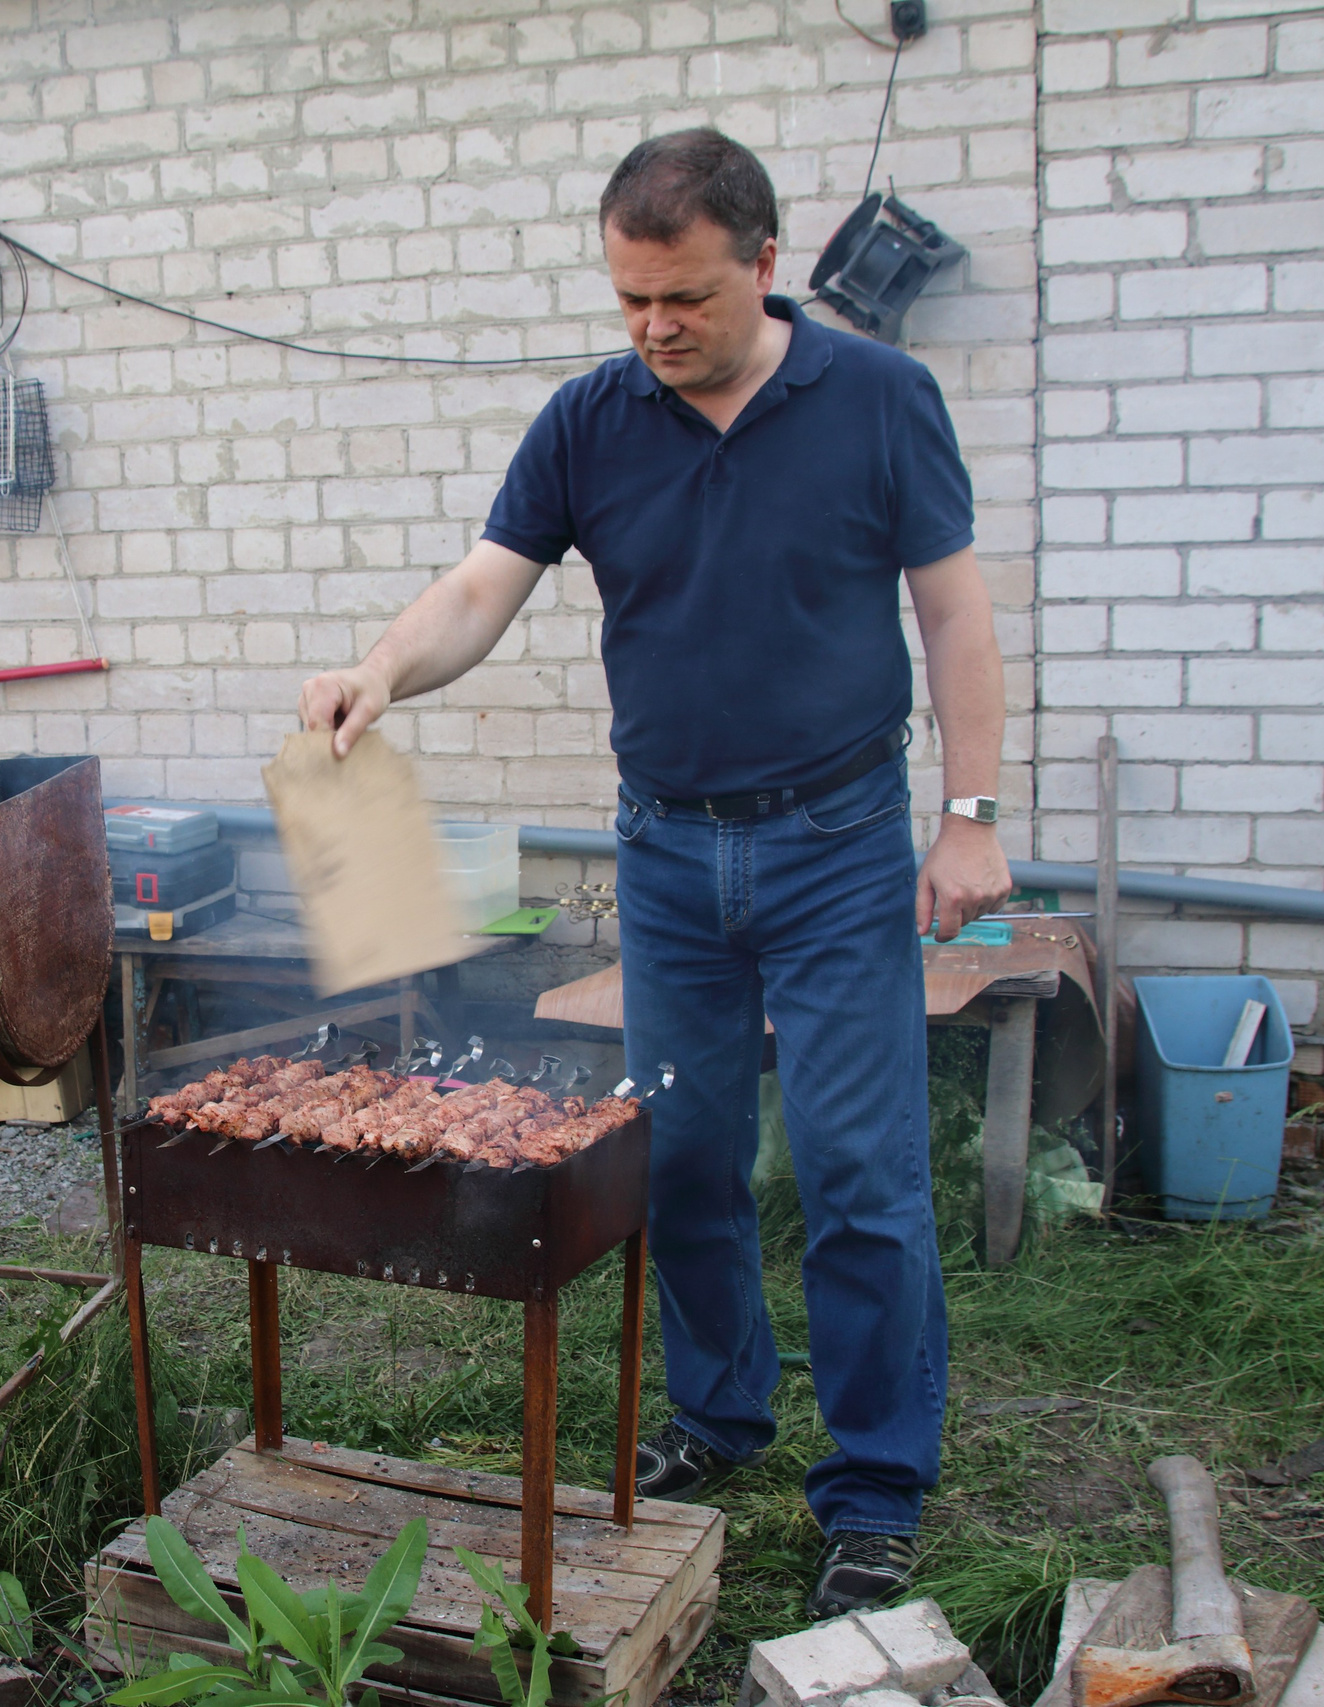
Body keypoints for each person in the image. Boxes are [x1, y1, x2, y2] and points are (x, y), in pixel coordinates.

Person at [296, 128, 1011, 1620]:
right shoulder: (590, 419)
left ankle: (875, 1487)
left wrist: (971, 815)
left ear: (765, 263)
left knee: (858, 1172)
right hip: (669, 856)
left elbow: (952, 614)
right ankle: (723, 1415)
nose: (653, 328)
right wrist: (379, 669)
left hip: (836, 849)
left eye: (683, 297)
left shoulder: (880, 398)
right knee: (679, 1157)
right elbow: (483, 587)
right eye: (629, 299)